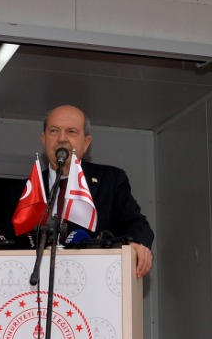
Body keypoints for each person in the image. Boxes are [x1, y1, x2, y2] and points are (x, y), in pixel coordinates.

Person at [27, 104, 155, 277]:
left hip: (95, 279)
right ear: (44, 140)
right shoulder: (25, 189)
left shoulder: (110, 180)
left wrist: (137, 244)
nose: (62, 138)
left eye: (71, 131)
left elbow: (137, 224)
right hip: (37, 284)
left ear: (86, 143)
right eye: (54, 131)